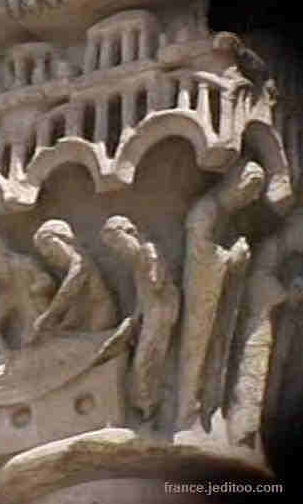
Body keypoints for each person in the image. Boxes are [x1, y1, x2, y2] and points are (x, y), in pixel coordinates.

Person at [179, 160, 264, 430]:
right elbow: (200, 255)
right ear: (237, 184)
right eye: (249, 191)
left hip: (215, 294)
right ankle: (185, 413)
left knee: (216, 346)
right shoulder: (206, 210)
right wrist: (231, 258)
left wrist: (235, 260)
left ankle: (207, 408)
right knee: (196, 349)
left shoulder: (225, 214)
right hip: (199, 298)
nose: (250, 199)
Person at [100, 215, 180, 420]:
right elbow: (143, 295)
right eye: (114, 248)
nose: (119, 251)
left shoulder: (147, 252)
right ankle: (148, 403)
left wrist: (153, 272)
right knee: (146, 357)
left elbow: (156, 282)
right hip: (153, 312)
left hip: (161, 311)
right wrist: (134, 318)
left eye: (118, 243)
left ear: (131, 233)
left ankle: (151, 404)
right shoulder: (137, 262)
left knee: (146, 358)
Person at [30, 219, 116, 342]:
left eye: (48, 245)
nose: (46, 253)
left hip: (99, 314)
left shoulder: (81, 263)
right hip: (86, 314)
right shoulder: (72, 267)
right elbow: (77, 304)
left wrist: (48, 316)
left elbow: (68, 292)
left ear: (65, 240)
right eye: (43, 252)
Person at [0, 232, 54, 354]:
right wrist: (6, 353)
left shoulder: (24, 265)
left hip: (50, 332)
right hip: (32, 341)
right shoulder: (9, 293)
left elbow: (47, 281)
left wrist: (34, 289)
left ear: (1, 251)